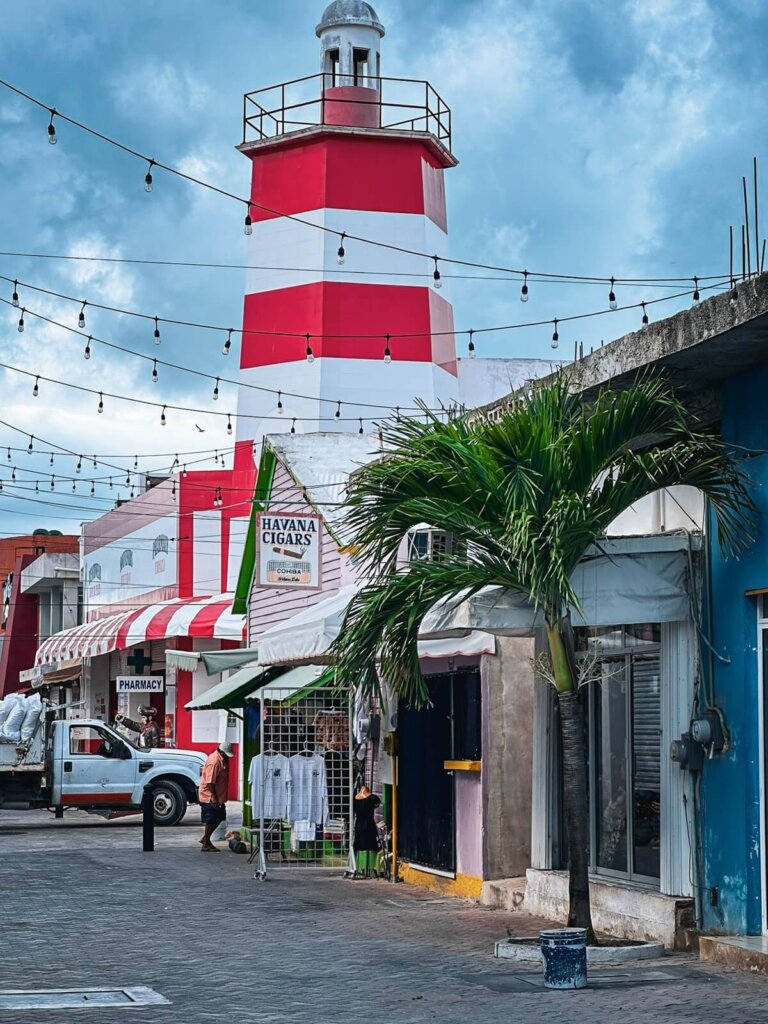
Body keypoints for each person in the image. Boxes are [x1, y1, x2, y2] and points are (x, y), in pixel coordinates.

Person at [199, 741, 235, 852]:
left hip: (218, 796)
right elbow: (210, 782)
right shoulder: (214, 761)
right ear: (222, 752)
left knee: (219, 817)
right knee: (211, 819)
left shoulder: (222, 759)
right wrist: (214, 797)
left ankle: (206, 839)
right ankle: (206, 843)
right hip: (209, 795)